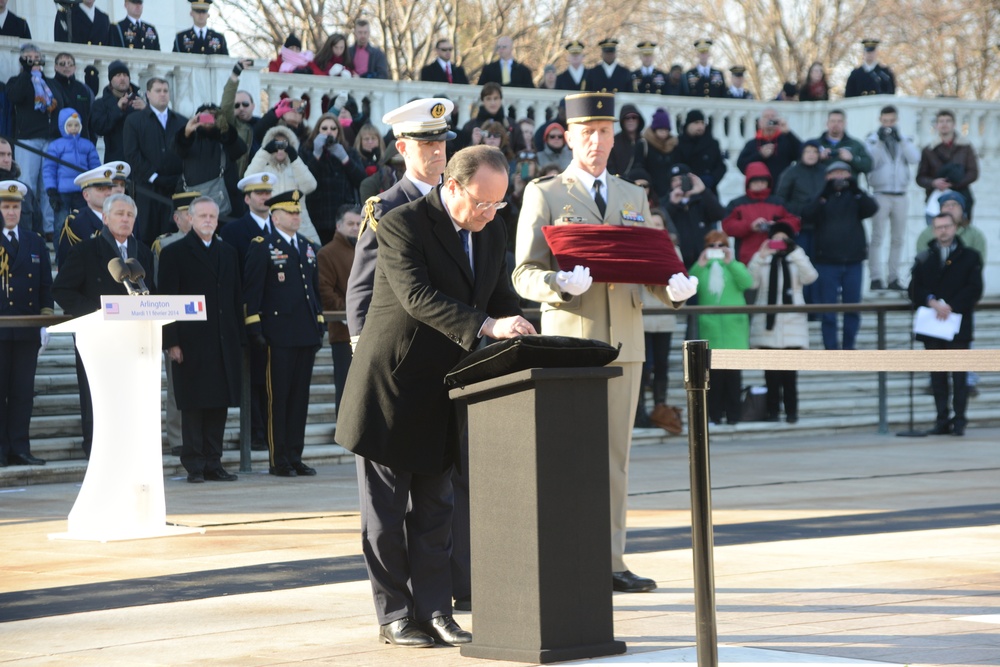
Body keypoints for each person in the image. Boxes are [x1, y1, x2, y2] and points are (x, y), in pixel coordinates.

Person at [338, 145, 532, 647]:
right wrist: (489, 326)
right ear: (451, 186)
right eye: (482, 203)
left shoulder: (489, 232)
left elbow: (498, 297)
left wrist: (527, 329)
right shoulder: (402, 223)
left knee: (435, 513)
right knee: (384, 517)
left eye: (498, 205)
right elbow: (419, 299)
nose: (489, 214)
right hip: (392, 388)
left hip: (443, 390)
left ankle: (436, 610)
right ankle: (395, 614)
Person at [513, 92, 698, 594]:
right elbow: (523, 274)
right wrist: (556, 285)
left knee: (616, 457)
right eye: (587, 133)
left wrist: (674, 290)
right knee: (570, 454)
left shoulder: (633, 197)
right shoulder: (546, 193)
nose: (596, 142)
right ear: (568, 136)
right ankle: (566, 553)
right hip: (571, 339)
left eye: (605, 132)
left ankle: (611, 558)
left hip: (626, 344)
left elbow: (646, 270)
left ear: (616, 137)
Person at [51, 193, 155, 458]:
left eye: (130, 215)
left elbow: (152, 291)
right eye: (119, 214)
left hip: (136, 339)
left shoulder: (142, 252)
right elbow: (62, 290)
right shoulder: (85, 250)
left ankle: (131, 448)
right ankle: (97, 449)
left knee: (133, 396)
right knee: (97, 397)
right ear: (105, 218)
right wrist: (99, 313)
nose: (125, 219)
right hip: (98, 338)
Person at [347, 98, 455, 337]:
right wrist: (360, 343)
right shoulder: (386, 208)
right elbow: (363, 283)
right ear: (403, 148)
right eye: (427, 143)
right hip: (403, 339)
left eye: (442, 140)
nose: (438, 149)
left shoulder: (457, 201)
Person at [159, 197, 244, 482]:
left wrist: (238, 339)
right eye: (202, 216)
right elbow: (167, 299)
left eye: (212, 216)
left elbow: (235, 298)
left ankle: (213, 461)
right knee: (193, 404)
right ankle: (194, 464)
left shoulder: (228, 252)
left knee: (218, 403)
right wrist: (171, 341)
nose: (208, 220)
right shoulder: (175, 253)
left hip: (222, 340)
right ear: (190, 219)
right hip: (191, 342)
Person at [243, 189, 324, 476]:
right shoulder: (263, 245)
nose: (296, 216)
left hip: (304, 332)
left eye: (298, 211)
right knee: (278, 399)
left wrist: (320, 319)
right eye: (291, 212)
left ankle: (295, 455)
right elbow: (253, 289)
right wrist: (254, 324)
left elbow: (313, 289)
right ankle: (279, 460)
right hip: (277, 334)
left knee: (299, 398)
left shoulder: (307, 245)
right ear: (275, 216)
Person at [909, 213, 982, 436]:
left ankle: (959, 420)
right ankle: (942, 419)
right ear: (933, 230)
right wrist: (930, 301)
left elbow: (974, 288)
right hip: (933, 326)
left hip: (958, 324)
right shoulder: (924, 257)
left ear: (955, 228)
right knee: (937, 376)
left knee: (959, 375)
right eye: (938, 227)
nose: (943, 231)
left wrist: (950, 306)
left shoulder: (970, 256)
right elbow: (914, 289)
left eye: (947, 226)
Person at [0, 181, 52, 468]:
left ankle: (20, 447)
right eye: (6, 207)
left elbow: (45, 284)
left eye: (15, 207)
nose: (11, 212)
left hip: (26, 328)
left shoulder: (33, 241)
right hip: (0, 328)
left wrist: (43, 321)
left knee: (22, 393)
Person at [802, 161, 879, 351]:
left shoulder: (855, 196)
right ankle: (831, 350)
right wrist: (824, 193)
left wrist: (856, 188)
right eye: (834, 174)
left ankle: (849, 347)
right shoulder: (821, 196)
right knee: (828, 310)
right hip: (827, 261)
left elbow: (871, 209)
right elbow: (807, 214)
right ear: (827, 177)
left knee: (852, 308)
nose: (839, 178)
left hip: (853, 261)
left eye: (843, 174)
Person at [747, 223, 818, 423]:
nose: (779, 243)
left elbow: (811, 277)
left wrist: (795, 252)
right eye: (775, 238)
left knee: (789, 374)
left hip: (792, 322)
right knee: (770, 374)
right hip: (768, 323)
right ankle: (772, 412)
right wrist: (759, 256)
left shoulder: (796, 257)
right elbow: (750, 283)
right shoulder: (764, 259)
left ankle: (792, 412)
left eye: (783, 239)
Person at [152, 191, 199, 457]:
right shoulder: (165, 246)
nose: (193, 221)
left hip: (203, 326)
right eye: (188, 216)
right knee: (176, 386)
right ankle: (177, 437)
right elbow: (162, 290)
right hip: (178, 323)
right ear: (177, 218)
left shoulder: (214, 242)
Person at [688, 230, 752, 425]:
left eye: (720, 246)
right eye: (711, 246)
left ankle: (734, 416)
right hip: (711, 328)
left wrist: (730, 262)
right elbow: (690, 285)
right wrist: (700, 264)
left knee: (733, 377)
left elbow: (747, 282)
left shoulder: (734, 266)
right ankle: (714, 415)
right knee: (713, 378)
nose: (716, 250)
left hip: (734, 329)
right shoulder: (703, 268)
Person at [6, 44, 63, 239]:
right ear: (22, 60)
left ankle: (48, 228)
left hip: (49, 140)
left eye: (36, 57)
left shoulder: (50, 83)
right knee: (27, 185)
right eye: (29, 58)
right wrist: (27, 73)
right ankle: (26, 227)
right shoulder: (17, 80)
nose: (34, 61)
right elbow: (15, 96)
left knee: (48, 186)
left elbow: (60, 104)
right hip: (27, 140)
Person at [123, 77, 187, 245]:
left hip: (176, 188)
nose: (163, 95)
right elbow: (132, 153)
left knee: (174, 236)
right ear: (148, 94)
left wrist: (178, 178)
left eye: (166, 91)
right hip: (147, 189)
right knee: (146, 235)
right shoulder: (134, 121)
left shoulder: (181, 122)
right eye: (158, 91)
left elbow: (187, 152)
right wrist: (154, 177)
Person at [865, 105, 921, 291]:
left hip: (901, 195)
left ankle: (893, 278)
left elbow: (915, 158)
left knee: (897, 239)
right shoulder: (872, 140)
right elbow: (871, 162)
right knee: (877, 237)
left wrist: (901, 140)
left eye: (891, 121)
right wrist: (881, 141)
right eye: (885, 121)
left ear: (896, 121)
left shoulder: (904, 139)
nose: (888, 125)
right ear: (880, 120)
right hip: (880, 194)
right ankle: (875, 277)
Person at [317, 204, 360, 419]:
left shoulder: (368, 248)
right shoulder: (327, 253)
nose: (355, 228)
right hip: (342, 332)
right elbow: (325, 290)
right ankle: (343, 429)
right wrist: (352, 311)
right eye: (350, 224)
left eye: (359, 224)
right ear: (338, 225)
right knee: (345, 384)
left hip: (369, 330)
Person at [175, 104, 247, 224]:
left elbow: (240, 149)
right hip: (195, 205)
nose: (207, 120)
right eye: (204, 117)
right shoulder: (189, 139)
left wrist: (225, 129)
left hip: (227, 208)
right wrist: (186, 133)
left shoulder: (224, 138)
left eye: (212, 117)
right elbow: (177, 151)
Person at [247, 124, 319, 242]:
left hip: (301, 227)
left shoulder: (297, 167)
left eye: (284, 144)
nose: (280, 148)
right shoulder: (262, 170)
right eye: (275, 144)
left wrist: (294, 157)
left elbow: (310, 186)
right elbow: (247, 181)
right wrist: (264, 152)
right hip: (272, 226)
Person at [722, 161, 800, 267]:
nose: (760, 184)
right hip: (747, 257)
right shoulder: (736, 204)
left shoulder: (779, 202)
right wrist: (750, 226)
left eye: (763, 181)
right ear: (748, 183)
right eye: (756, 181)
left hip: (776, 255)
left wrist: (777, 227)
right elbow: (727, 226)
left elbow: (794, 221)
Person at [43, 109, 101, 240]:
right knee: (60, 225)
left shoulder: (87, 145)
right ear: (63, 127)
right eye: (69, 125)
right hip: (62, 192)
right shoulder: (56, 146)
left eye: (76, 125)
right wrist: (51, 190)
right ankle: (60, 257)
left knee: (83, 223)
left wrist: (95, 185)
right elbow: (49, 169)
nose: (73, 128)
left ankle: (82, 251)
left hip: (82, 191)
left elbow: (95, 167)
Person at [57, 162, 127, 267]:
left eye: (109, 188)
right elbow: (67, 264)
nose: (108, 193)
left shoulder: (125, 218)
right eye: (101, 189)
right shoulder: (77, 223)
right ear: (86, 195)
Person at [916, 109, 979, 222]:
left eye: (948, 121)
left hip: (961, 196)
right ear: (936, 125)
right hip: (936, 199)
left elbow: (973, 172)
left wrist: (955, 183)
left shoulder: (965, 147)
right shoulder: (929, 149)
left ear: (954, 124)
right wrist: (934, 183)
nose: (944, 124)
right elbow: (920, 177)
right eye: (941, 121)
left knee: (962, 234)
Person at [665, 164, 726, 269]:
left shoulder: (702, 198)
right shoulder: (666, 201)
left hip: (704, 259)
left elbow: (720, 214)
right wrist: (672, 205)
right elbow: (661, 222)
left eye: (682, 179)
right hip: (678, 260)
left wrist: (703, 191)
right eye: (674, 180)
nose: (678, 183)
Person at [91, 60, 146, 163]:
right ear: (110, 80)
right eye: (118, 75)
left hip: (140, 162)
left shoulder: (141, 101)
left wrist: (146, 110)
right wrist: (117, 109)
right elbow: (99, 128)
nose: (122, 78)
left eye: (125, 75)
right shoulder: (100, 103)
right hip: (115, 162)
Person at [737, 107, 802, 184]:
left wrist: (788, 132)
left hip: (781, 188)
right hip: (760, 189)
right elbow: (742, 165)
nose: (770, 119)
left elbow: (802, 154)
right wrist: (760, 155)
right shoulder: (752, 144)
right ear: (760, 123)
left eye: (773, 116)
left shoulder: (786, 140)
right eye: (766, 117)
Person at [220, 60, 260, 181]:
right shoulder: (231, 125)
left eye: (245, 104)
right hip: (239, 180)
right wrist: (234, 75)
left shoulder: (263, 124)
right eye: (236, 105)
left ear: (253, 106)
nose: (241, 108)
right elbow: (226, 106)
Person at [673, 109, 726, 196]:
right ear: (688, 125)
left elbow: (721, 166)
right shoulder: (679, 143)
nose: (700, 126)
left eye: (702, 123)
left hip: (709, 191)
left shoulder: (712, 143)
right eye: (696, 123)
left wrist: (712, 179)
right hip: (686, 190)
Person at [48, 53, 95, 144]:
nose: (66, 67)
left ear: (75, 68)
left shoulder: (84, 89)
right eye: (62, 64)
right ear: (55, 67)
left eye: (70, 64)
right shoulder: (50, 86)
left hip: (81, 140)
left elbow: (91, 117)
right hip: (57, 141)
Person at [813, 109, 872, 179]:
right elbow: (801, 164)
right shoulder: (815, 144)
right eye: (832, 121)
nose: (836, 124)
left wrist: (852, 159)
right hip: (820, 187)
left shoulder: (855, 145)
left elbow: (868, 166)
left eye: (839, 121)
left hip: (849, 187)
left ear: (845, 123)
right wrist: (818, 157)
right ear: (827, 123)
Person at [0, 139, 41, 231]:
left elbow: (38, 229)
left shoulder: (24, 190)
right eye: (1, 154)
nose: (7, 160)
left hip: (25, 244)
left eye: (9, 154)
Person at [640, 109, 678, 199]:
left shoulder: (673, 145)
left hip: (669, 192)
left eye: (666, 130)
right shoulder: (644, 144)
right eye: (661, 129)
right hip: (651, 192)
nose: (664, 133)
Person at [608, 104, 645, 180]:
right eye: (627, 118)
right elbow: (610, 166)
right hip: (619, 184)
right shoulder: (613, 142)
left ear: (639, 120)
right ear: (622, 121)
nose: (631, 120)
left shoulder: (644, 142)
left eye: (634, 117)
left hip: (641, 186)